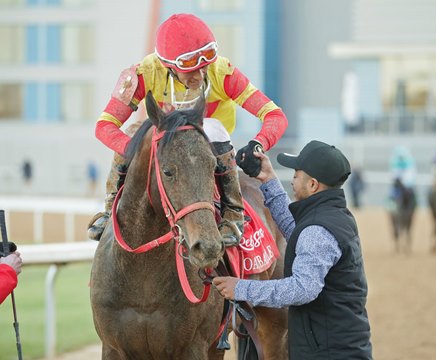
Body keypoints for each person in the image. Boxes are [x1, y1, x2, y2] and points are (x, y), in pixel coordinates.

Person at [87, 13, 288, 245]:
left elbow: (275, 115)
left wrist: (259, 143)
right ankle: (110, 208)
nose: (200, 75)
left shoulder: (222, 72)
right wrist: (132, 148)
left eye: (205, 67)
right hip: (164, 141)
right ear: (168, 66)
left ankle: (233, 215)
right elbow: (105, 125)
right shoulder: (144, 74)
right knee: (134, 132)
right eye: (191, 70)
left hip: (208, 143)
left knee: (213, 128)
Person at [213, 140, 372, 359]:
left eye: (297, 175)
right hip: (335, 345)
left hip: (326, 353)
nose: (293, 179)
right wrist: (267, 179)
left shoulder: (317, 230)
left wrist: (241, 288)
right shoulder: (333, 216)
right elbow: (295, 230)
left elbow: (301, 289)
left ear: (313, 185)